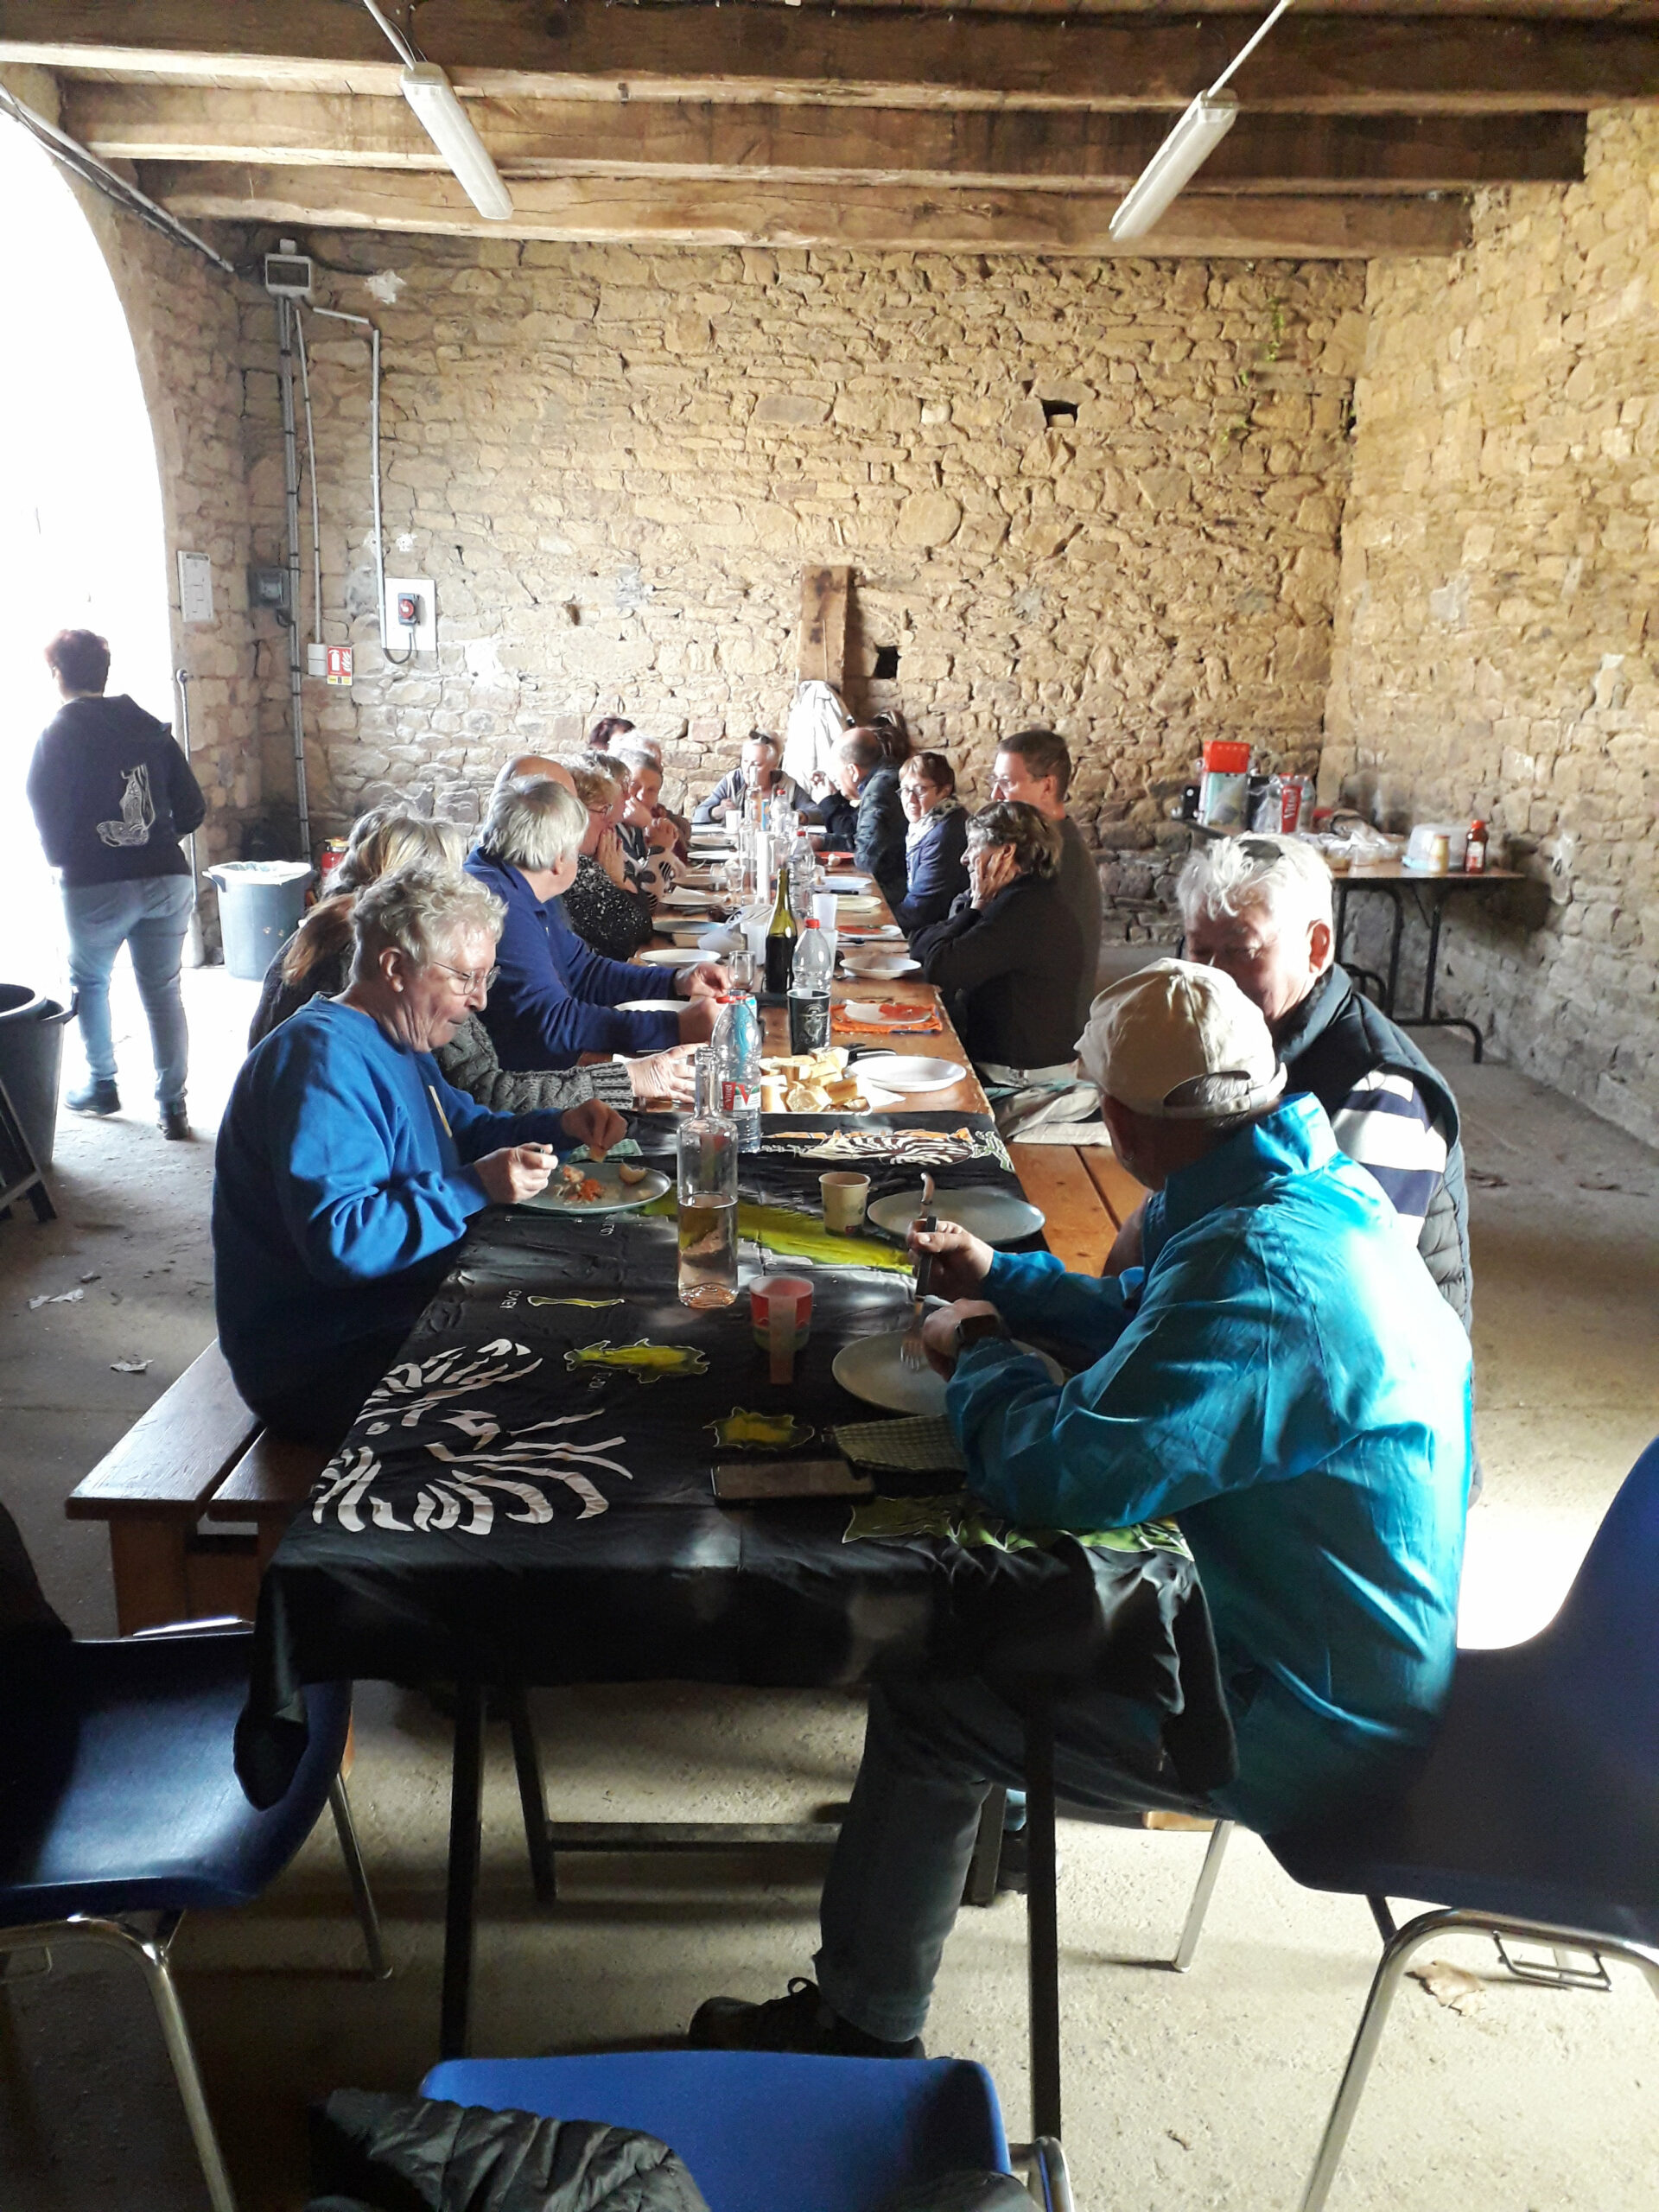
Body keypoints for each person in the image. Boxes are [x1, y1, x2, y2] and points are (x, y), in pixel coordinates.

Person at [689, 959, 1471, 2058]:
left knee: (931, 1688)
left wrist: (982, 1352)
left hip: (1303, 1711)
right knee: (1017, 1608)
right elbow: (1157, 1319)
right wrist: (1004, 1279)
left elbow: (1053, 1475)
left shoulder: (1260, 1268)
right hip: (1342, 1641)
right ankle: (999, 1827)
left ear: (1124, 1122)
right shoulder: (1299, 1185)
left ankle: (861, 2027)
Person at [213, 868, 627, 1447]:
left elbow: (466, 1130)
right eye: (465, 978)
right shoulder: (320, 1061)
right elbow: (345, 1242)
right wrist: (475, 1186)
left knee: (603, 1308)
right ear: (394, 968)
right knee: (588, 1381)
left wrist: (559, 1126)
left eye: (486, 977)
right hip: (322, 1357)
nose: (480, 999)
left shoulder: (398, 1039)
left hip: (392, 1310)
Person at [1152, 834, 1470, 1325]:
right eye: (1199, 949)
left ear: (1316, 948)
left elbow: (1333, 1295)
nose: (1211, 977)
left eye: (1240, 950)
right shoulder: (1241, 1040)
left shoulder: (1378, 1091)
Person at [245, 810, 682, 1109]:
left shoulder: (318, 934)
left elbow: (457, 1109)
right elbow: (481, 1091)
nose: (478, 999)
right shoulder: (383, 973)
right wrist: (627, 1079)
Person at [26, 627, 207, 1139]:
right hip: (167, 877)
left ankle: (102, 1085)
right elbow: (192, 807)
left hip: (95, 884)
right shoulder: (149, 726)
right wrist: (156, 839)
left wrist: (67, 859)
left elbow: (43, 804)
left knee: (90, 983)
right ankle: (173, 1107)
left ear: (57, 674)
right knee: (163, 990)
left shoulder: (58, 734)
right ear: (104, 674)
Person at [466, 776, 723, 1064]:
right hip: (525, 1079)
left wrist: (677, 981)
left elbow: (585, 973)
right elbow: (553, 1021)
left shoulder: (524, 879)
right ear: (559, 859)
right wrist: (674, 1027)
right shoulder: (500, 905)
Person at [910, 803, 1084, 1077]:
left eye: (973, 846)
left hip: (1018, 1076)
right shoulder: (1015, 897)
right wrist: (975, 906)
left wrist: (977, 905)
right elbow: (918, 943)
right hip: (1006, 1064)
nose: (964, 859)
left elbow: (940, 969)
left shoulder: (1024, 910)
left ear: (1006, 852)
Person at [989, 729, 1101, 1029]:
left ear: (1047, 786)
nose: (996, 795)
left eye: (1007, 783)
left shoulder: (1056, 858)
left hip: (1041, 1029)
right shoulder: (1044, 844)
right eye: (995, 781)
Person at [563, 760, 657, 962]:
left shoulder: (588, 861)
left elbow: (643, 917)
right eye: (604, 810)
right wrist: (616, 879)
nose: (609, 822)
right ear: (577, 814)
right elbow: (635, 932)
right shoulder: (572, 867)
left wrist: (618, 878)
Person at [818, 727, 907, 909]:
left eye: (837, 770)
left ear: (853, 770)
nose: (836, 778)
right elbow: (863, 838)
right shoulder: (886, 775)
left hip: (893, 896)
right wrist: (823, 842)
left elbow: (867, 859)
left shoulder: (880, 789)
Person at [893, 752, 969, 935]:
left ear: (944, 790)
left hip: (940, 932)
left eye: (920, 790)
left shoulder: (945, 833)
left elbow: (922, 908)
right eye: (905, 790)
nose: (910, 799)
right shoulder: (926, 825)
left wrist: (880, 924)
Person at [692, 732, 811, 825]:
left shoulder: (786, 783)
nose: (748, 769)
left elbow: (815, 811)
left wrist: (799, 816)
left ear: (773, 765)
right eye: (745, 761)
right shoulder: (733, 781)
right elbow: (698, 816)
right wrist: (717, 811)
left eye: (756, 764)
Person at [613, 745, 690, 888]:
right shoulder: (611, 828)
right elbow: (639, 888)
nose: (642, 796)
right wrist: (650, 825)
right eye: (634, 785)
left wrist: (650, 825)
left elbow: (677, 872)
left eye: (651, 790)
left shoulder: (636, 823)